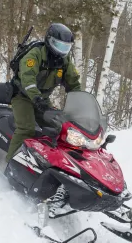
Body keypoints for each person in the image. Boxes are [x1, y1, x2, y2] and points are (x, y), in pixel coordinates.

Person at [7, 23, 81, 213]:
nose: (62, 51)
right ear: (49, 41)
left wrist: (80, 102)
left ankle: (57, 171)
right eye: (60, 46)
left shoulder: (64, 62)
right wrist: (36, 97)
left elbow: (73, 83)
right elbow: (27, 78)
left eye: (66, 47)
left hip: (42, 101)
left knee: (61, 128)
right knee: (27, 128)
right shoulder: (35, 54)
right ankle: (10, 166)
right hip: (22, 96)